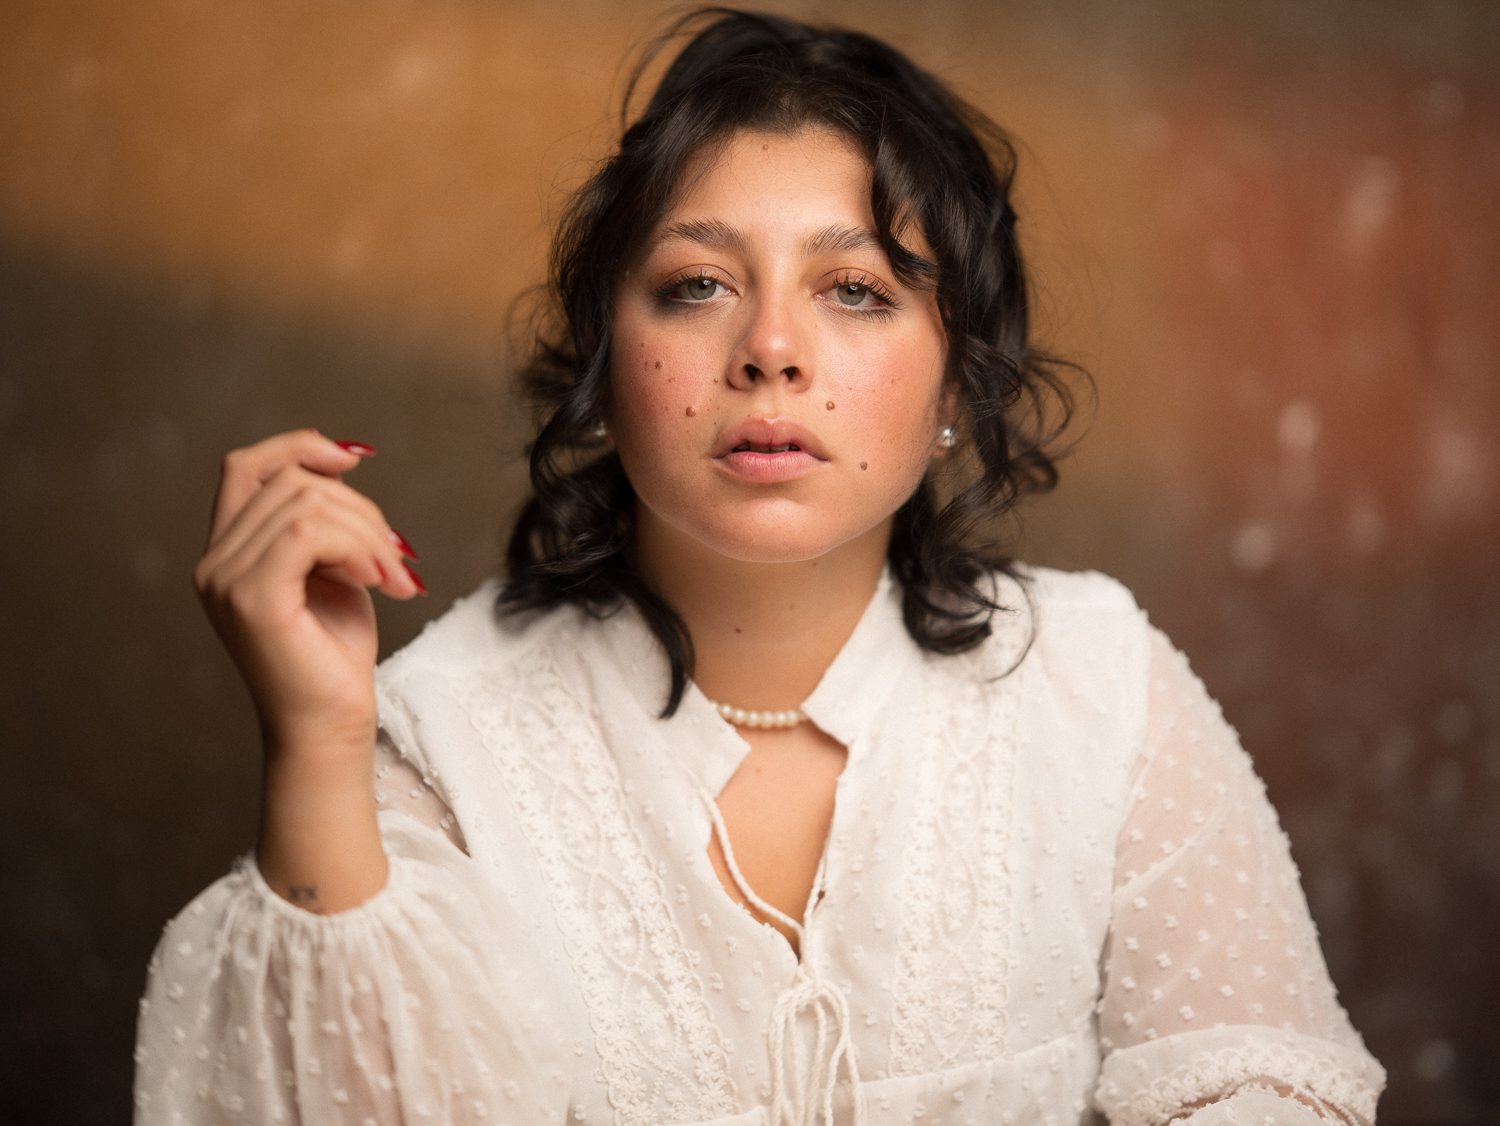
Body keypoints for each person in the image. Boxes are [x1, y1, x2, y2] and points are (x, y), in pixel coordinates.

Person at [133, 9, 1386, 1124]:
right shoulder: (444, 740)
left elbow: (1263, 1094)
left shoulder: (1097, 684)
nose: (772, 347)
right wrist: (318, 742)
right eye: (697, 285)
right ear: (604, 369)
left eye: (856, 289)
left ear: (958, 380)